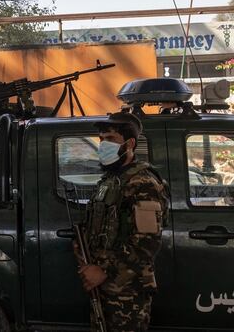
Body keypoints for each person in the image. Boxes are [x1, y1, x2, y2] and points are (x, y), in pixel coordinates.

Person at [78, 112, 169, 331]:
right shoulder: (111, 180)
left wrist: (104, 270)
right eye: (101, 140)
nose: (103, 145)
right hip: (105, 287)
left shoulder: (142, 182)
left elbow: (146, 242)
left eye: (110, 139)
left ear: (129, 144)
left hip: (128, 290)